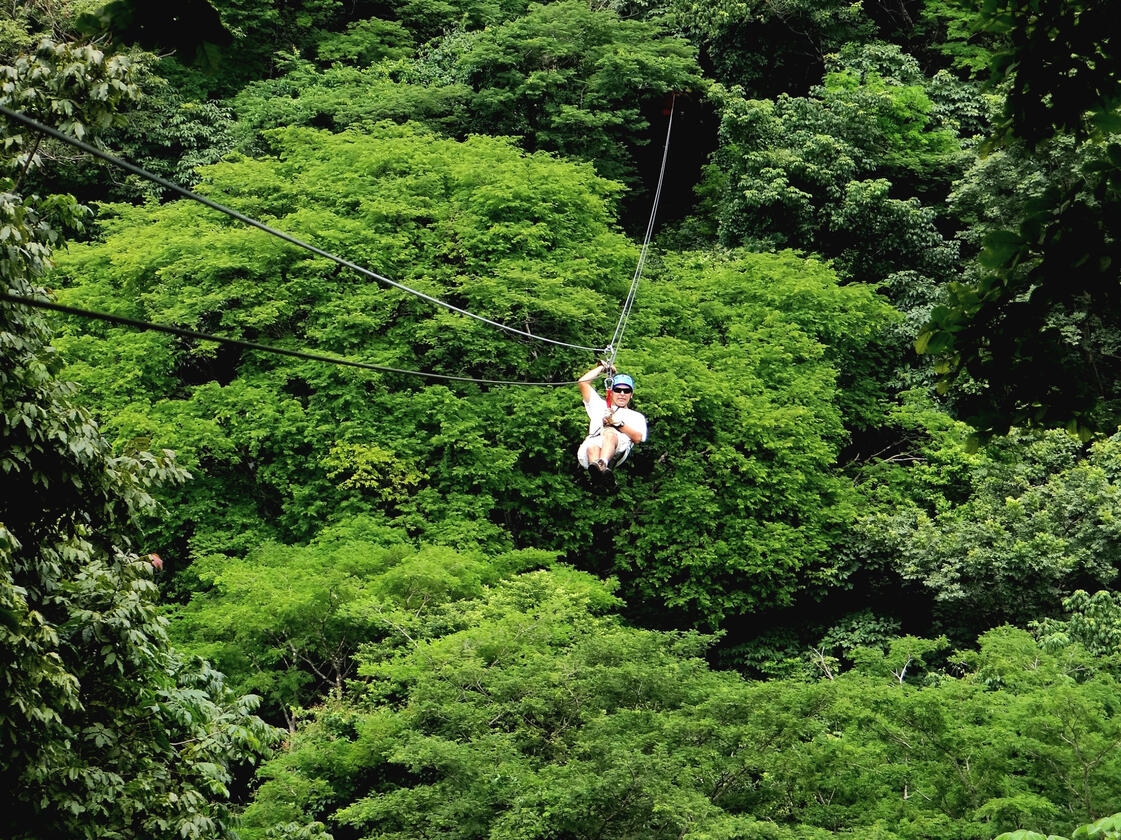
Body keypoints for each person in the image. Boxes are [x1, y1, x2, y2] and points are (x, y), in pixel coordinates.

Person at [577, 362, 647, 472]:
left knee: (610, 433)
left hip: (617, 451)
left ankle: (603, 463)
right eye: (618, 390)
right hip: (589, 450)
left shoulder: (636, 417)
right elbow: (583, 382)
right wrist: (602, 368)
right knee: (592, 446)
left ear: (631, 394)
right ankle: (598, 473)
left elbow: (638, 438)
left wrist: (617, 423)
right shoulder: (600, 406)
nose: (622, 394)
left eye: (626, 391)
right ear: (612, 392)